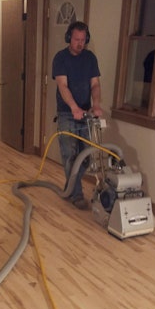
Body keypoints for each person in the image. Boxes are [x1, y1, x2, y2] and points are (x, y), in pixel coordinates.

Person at [52, 21, 103, 210]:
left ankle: (70, 186)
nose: (80, 44)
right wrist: (74, 107)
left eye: (83, 40)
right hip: (67, 113)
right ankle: (76, 194)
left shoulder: (90, 58)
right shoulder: (60, 58)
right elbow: (62, 86)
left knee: (88, 155)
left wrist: (96, 105)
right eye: (76, 40)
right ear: (68, 38)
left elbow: (95, 85)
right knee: (70, 156)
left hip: (86, 113)